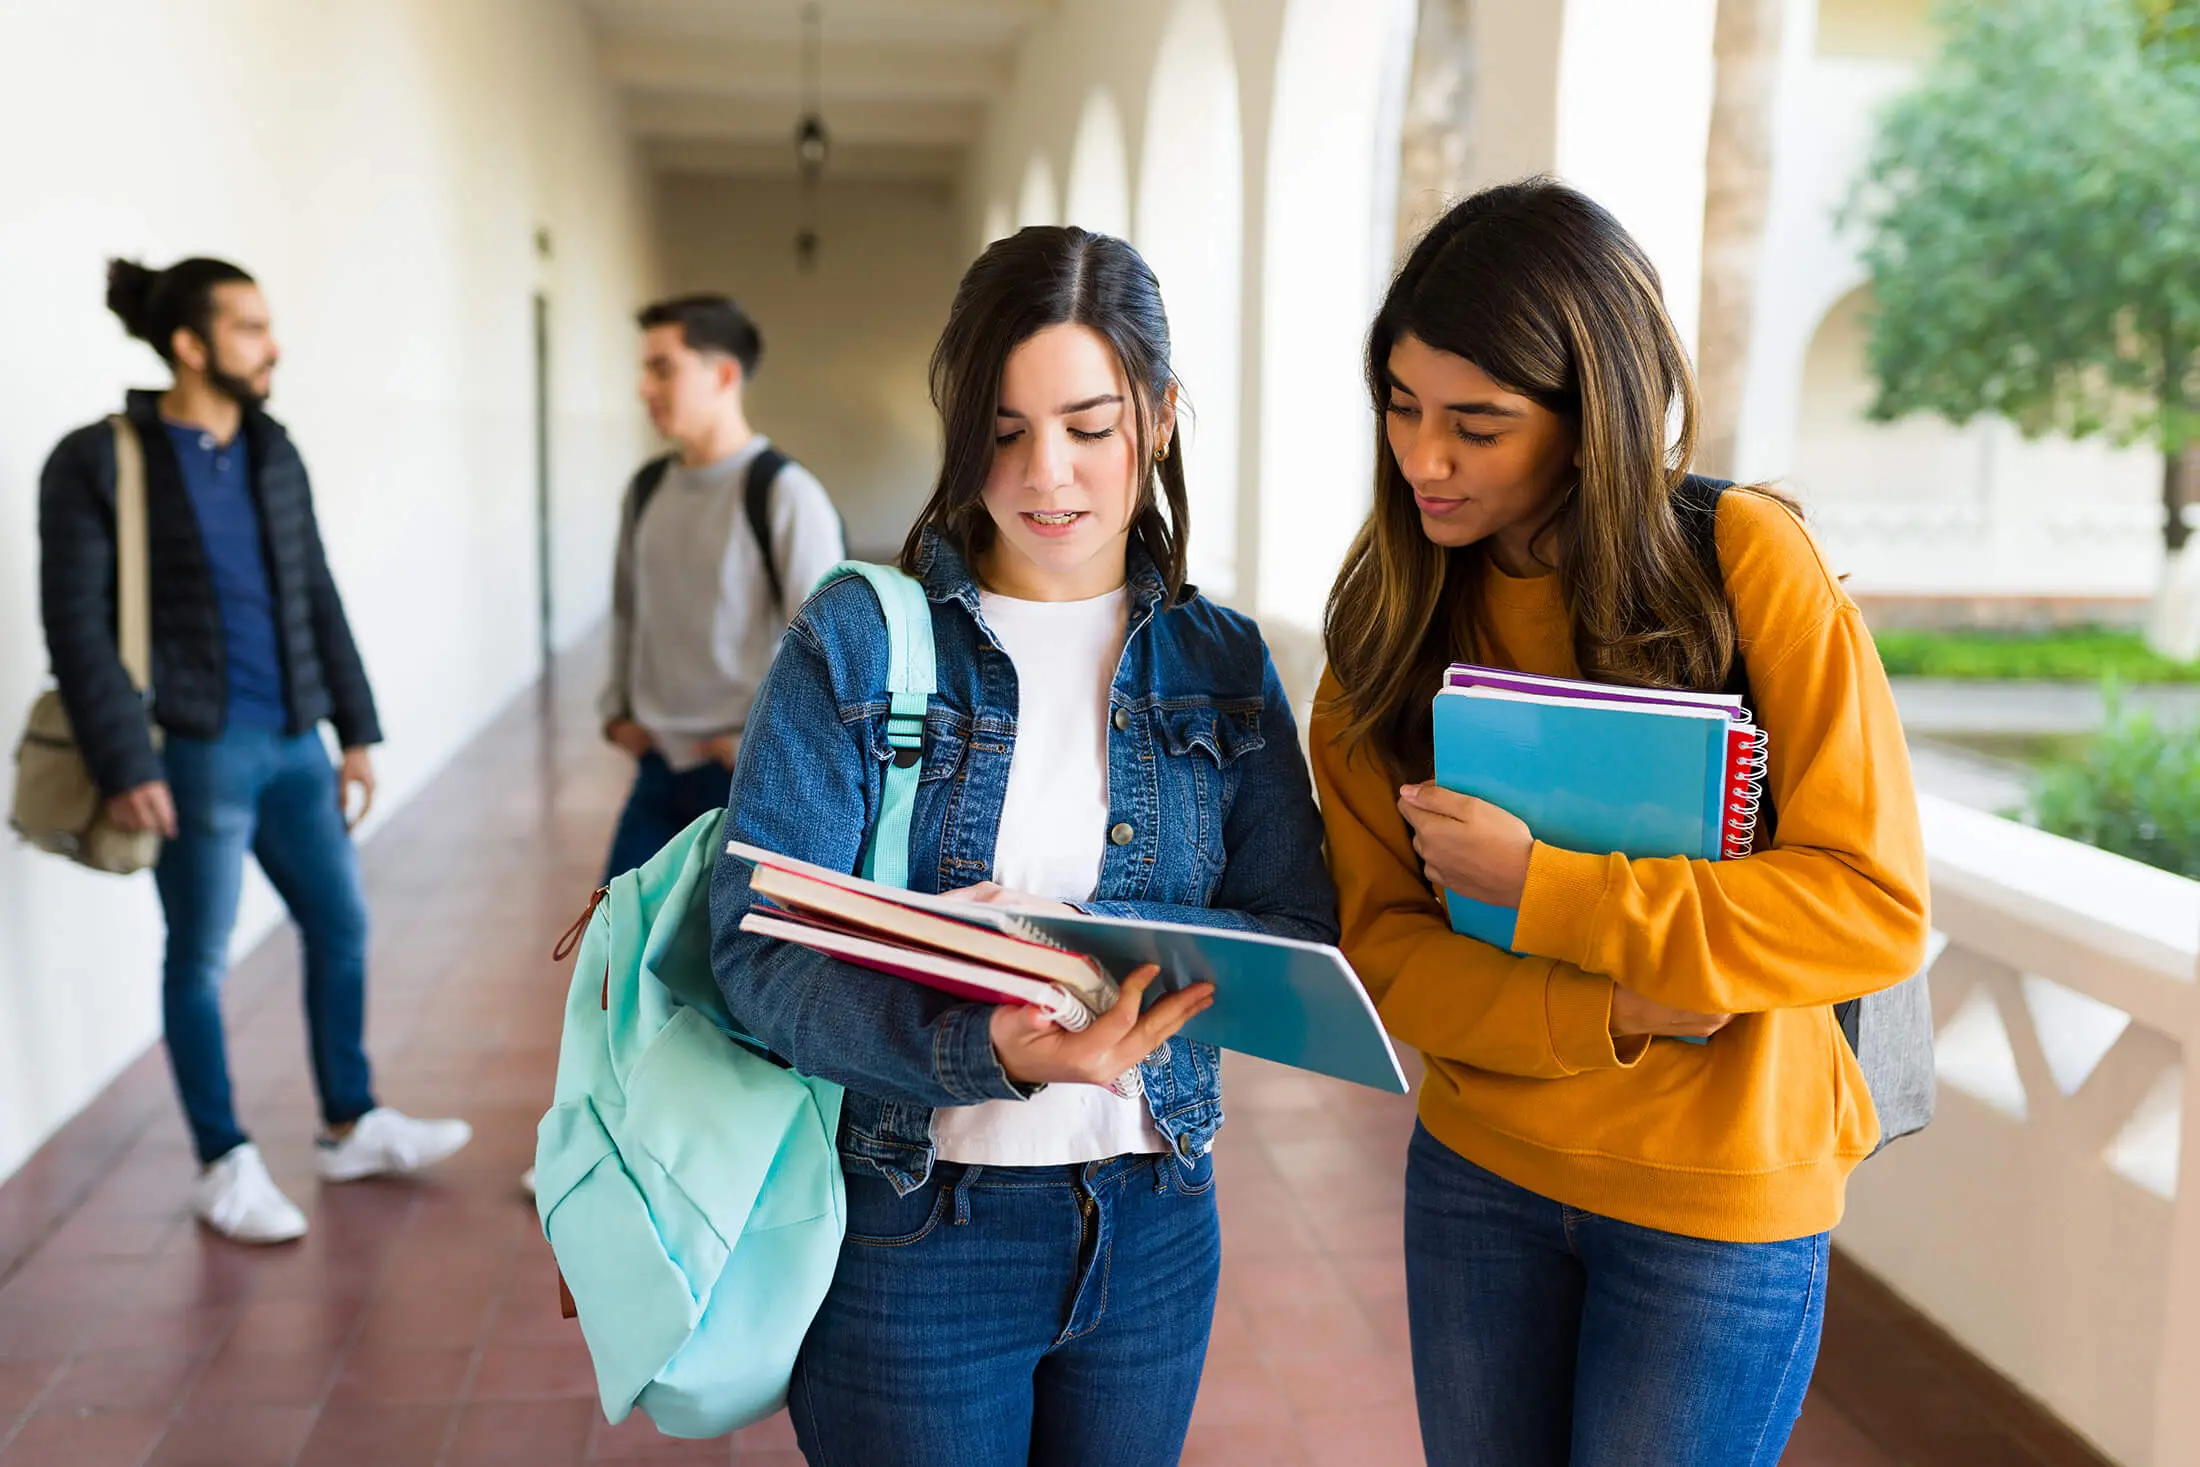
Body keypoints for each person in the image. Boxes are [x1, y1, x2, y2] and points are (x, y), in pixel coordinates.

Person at [1310, 180, 1930, 1466]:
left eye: (1476, 426)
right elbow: (1381, 952)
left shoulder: (1746, 561)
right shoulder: (1384, 629)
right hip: (1480, 1176)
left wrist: (1552, 892)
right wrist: (1614, 1007)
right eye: (1403, 408)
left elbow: (1871, 908)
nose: (1424, 458)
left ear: (1589, 420)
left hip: (1720, 1207)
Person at [707, 227, 1337, 1467]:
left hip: (1154, 1219)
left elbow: (1291, 920)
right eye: (1003, 430)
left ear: (1156, 419)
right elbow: (753, 954)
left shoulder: (1219, 662)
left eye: (1089, 427)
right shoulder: (857, 641)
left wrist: (1146, 972)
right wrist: (983, 1037)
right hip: (914, 1229)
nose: (1045, 475)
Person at [38, 257, 471, 1245]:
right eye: (248, 328)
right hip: (190, 750)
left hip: (293, 744)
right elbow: (76, 626)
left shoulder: (275, 450)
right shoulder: (99, 460)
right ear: (189, 345)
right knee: (198, 960)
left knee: (342, 926)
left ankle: (349, 1124)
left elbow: (313, 590)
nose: (272, 347)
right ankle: (221, 1160)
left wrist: (354, 728)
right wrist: (125, 762)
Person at [598, 294, 845, 884]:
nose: (644, 388)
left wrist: (751, 743)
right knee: (614, 948)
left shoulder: (784, 494)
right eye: (645, 369)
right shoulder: (646, 489)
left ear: (724, 374)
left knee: (726, 965)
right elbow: (628, 610)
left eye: (663, 368)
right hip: (657, 763)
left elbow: (830, 653)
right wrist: (617, 712)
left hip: (741, 775)